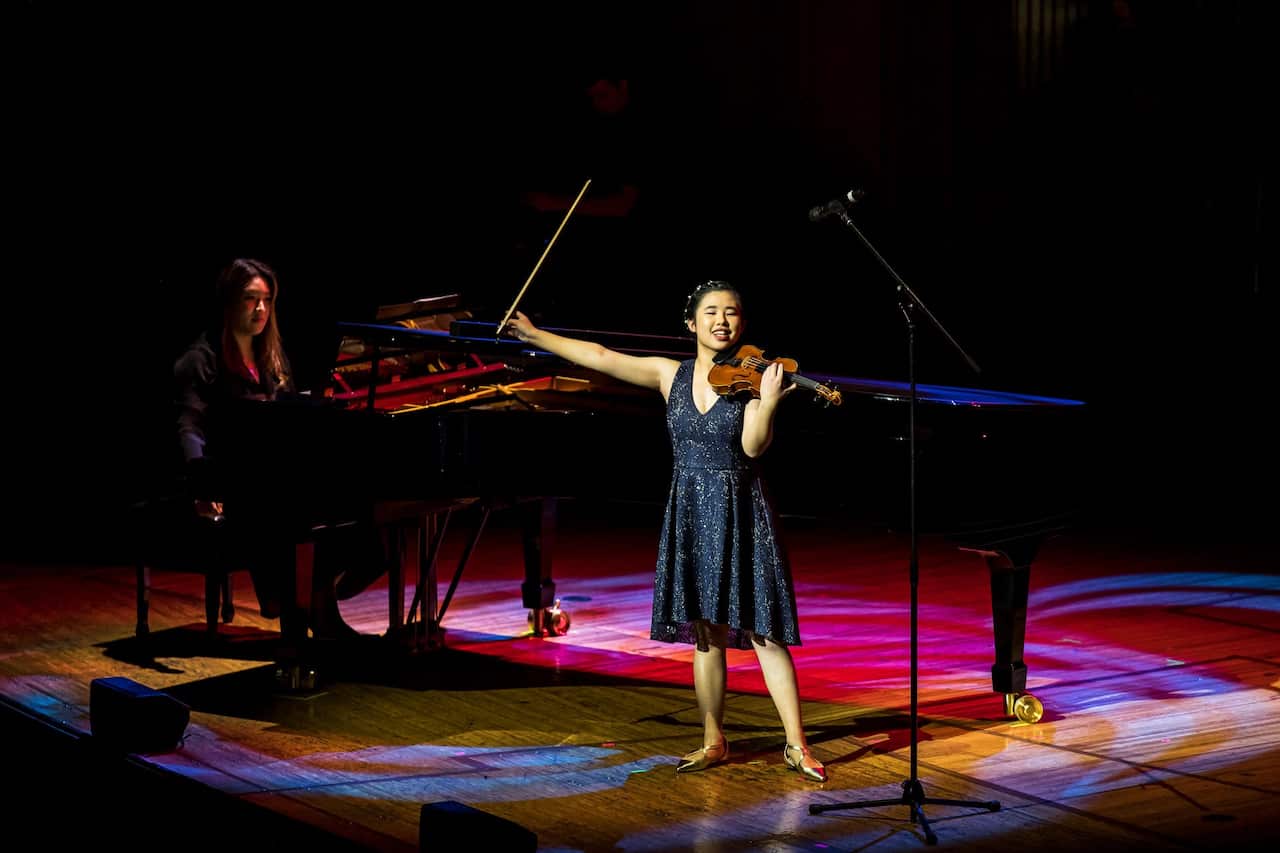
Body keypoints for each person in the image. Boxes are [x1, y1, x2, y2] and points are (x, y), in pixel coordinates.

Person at [503, 280, 827, 782]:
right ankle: (712, 739)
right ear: (691, 323)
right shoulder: (667, 374)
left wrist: (767, 404)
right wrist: (537, 336)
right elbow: (599, 355)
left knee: (765, 632)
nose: (723, 321)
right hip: (692, 511)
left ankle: (797, 745)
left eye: (733, 313)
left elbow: (754, 448)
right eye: (712, 312)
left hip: (742, 511)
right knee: (706, 634)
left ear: (742, 324)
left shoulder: (750, 381)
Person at [173, 257, 364, 640]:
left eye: (267, 300)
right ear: (230, 302)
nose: (260, 308)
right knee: (284, 511)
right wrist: (202, 484)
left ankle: (315, 600)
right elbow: (189, 424)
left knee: (350, 507)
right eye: (250, 299)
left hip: (273, 475)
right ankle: (302, 609)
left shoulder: (272, 357)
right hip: (232, 479)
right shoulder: (202, 359)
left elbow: (288, 417)